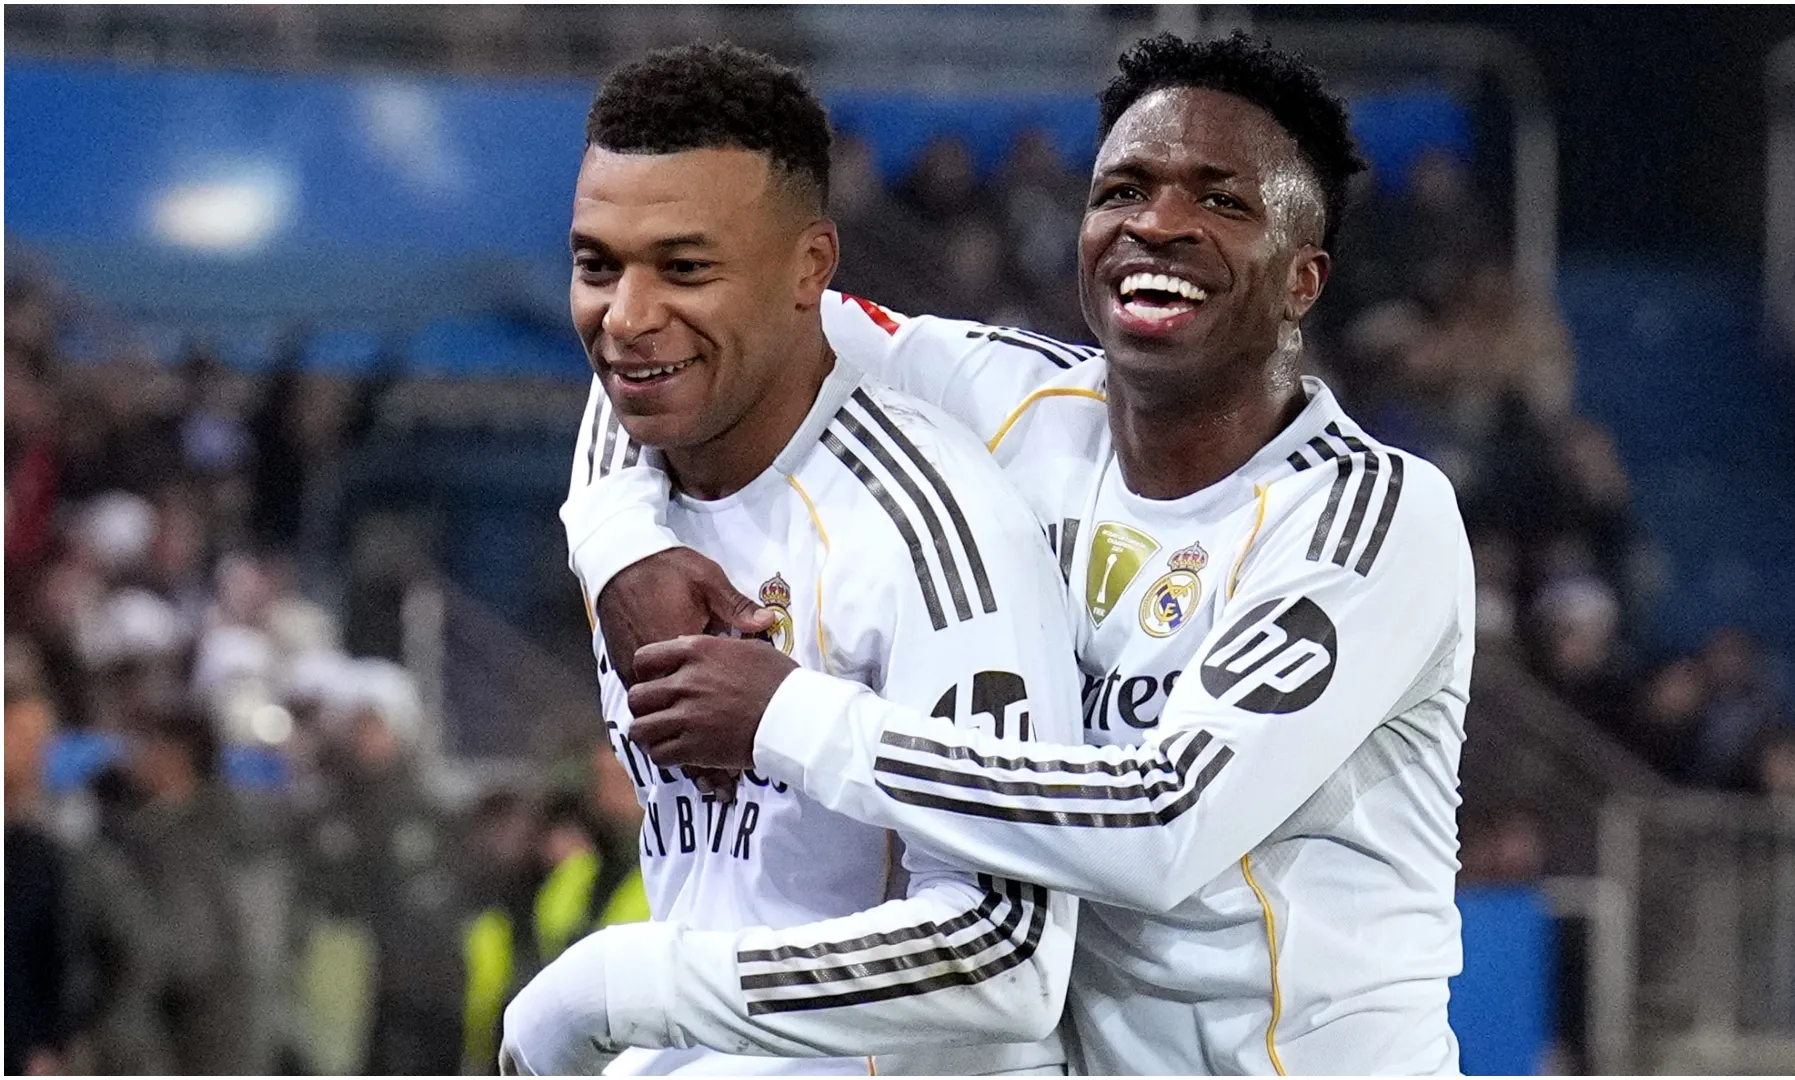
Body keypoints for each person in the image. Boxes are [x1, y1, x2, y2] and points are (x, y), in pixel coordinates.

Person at [571, 33, 1473, 1075]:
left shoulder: (1369, 517)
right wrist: (620, 545)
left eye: (1221, 202)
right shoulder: (1006, 399)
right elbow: (680, 335)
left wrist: (788, 717)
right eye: (1123, 189)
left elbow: (1160, 823)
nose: (1159, 223)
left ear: (1302, 279)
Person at [499, 44, 1081, 1076]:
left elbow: (1006, 952)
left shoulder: (930, 527)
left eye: (686, 267)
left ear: (811, 268)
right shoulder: (630, 497)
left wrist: (628, 994)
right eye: (597, 264)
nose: (626, 318)